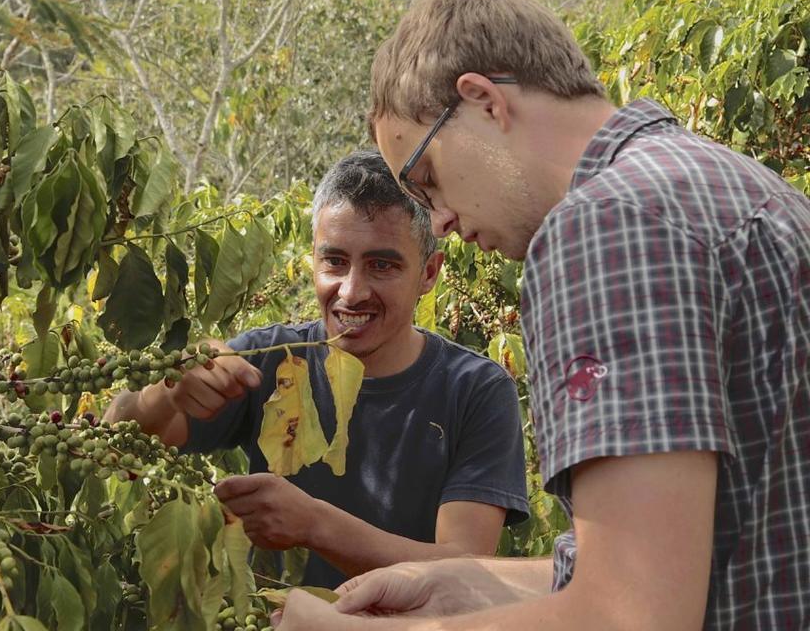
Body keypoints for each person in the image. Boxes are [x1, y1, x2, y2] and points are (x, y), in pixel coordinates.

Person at [272, 0, 810, 629]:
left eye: (426, 178)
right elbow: (702, 557)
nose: (438, 220)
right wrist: (468, 581)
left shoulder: (603, 226)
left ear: (484, 101)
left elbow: (634, 616)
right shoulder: (737, 184)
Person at [105, 149, 529, 589]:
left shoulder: (476, 390)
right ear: (313, 259)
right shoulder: (269, 359)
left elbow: (466, 572)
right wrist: (168, 389)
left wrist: (315, 525)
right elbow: (113, 444)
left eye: (382, 265)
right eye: (335, 261)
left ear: (429, 273)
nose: (352, 291)